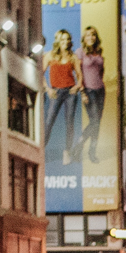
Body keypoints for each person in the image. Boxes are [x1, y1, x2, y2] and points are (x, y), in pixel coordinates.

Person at [43, 29, 82, 165]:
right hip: (56, 91)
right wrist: (47, 88)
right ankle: (41, 148)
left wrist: (77, 87)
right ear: (58, 41)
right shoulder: (50, 56)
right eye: (63, 40)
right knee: (49, 121)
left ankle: (67, 151)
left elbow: (79, 75)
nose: (65, 42)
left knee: (69, 123)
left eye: (67, 40)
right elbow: (40, 73)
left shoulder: (73, 57)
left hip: (70, 92)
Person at [68, 26, 106, 164]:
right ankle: (78, 146)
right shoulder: (80, 52)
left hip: (100, 90)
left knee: (97, 123)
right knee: (94, 121)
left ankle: (92, 151)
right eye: (88, 35)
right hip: (88, 90)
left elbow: (101, 71)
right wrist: (82, 92)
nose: (91, 37)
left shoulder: (99, 52)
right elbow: (79, 74)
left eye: (93, 35)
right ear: (84, 38)